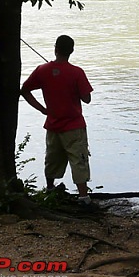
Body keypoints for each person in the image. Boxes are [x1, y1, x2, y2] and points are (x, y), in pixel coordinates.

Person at [21, 35, 94, 206]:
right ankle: (83, 197)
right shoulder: (77, 72)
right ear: (72, 51)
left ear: (55, 48)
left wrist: (41, 109)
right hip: (74, 127)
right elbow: (87, 99)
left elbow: (24, 90)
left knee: (52, 158)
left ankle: (50, 189)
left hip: (53, 125)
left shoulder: (42, 70)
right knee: (79, 159)